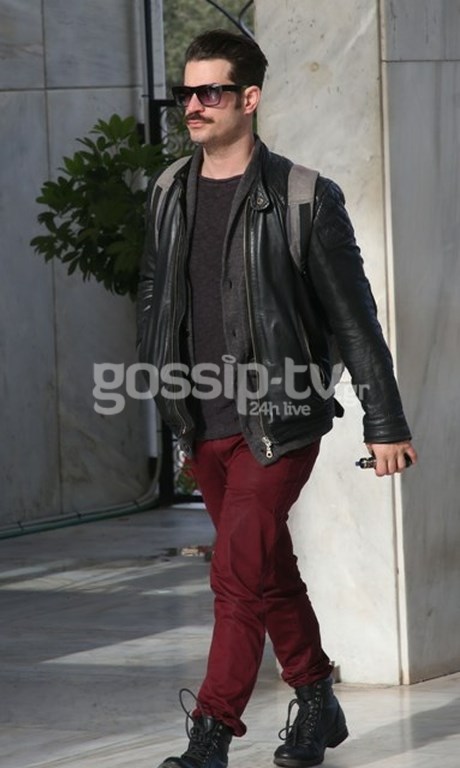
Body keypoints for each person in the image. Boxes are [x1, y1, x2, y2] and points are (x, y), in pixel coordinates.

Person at [137, 28, 417, 768]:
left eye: (211, 92)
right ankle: (318, 698)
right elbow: (155, 293)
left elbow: (354, 320)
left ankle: (212, 733)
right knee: (265, 567)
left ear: (250, 98)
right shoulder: (168, 191)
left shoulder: (303, 198)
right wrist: (159, 382)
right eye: (186, 92)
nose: (193, 105)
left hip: (280, 418)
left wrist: (384, 420)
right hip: (200, 418)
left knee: (234, 573)